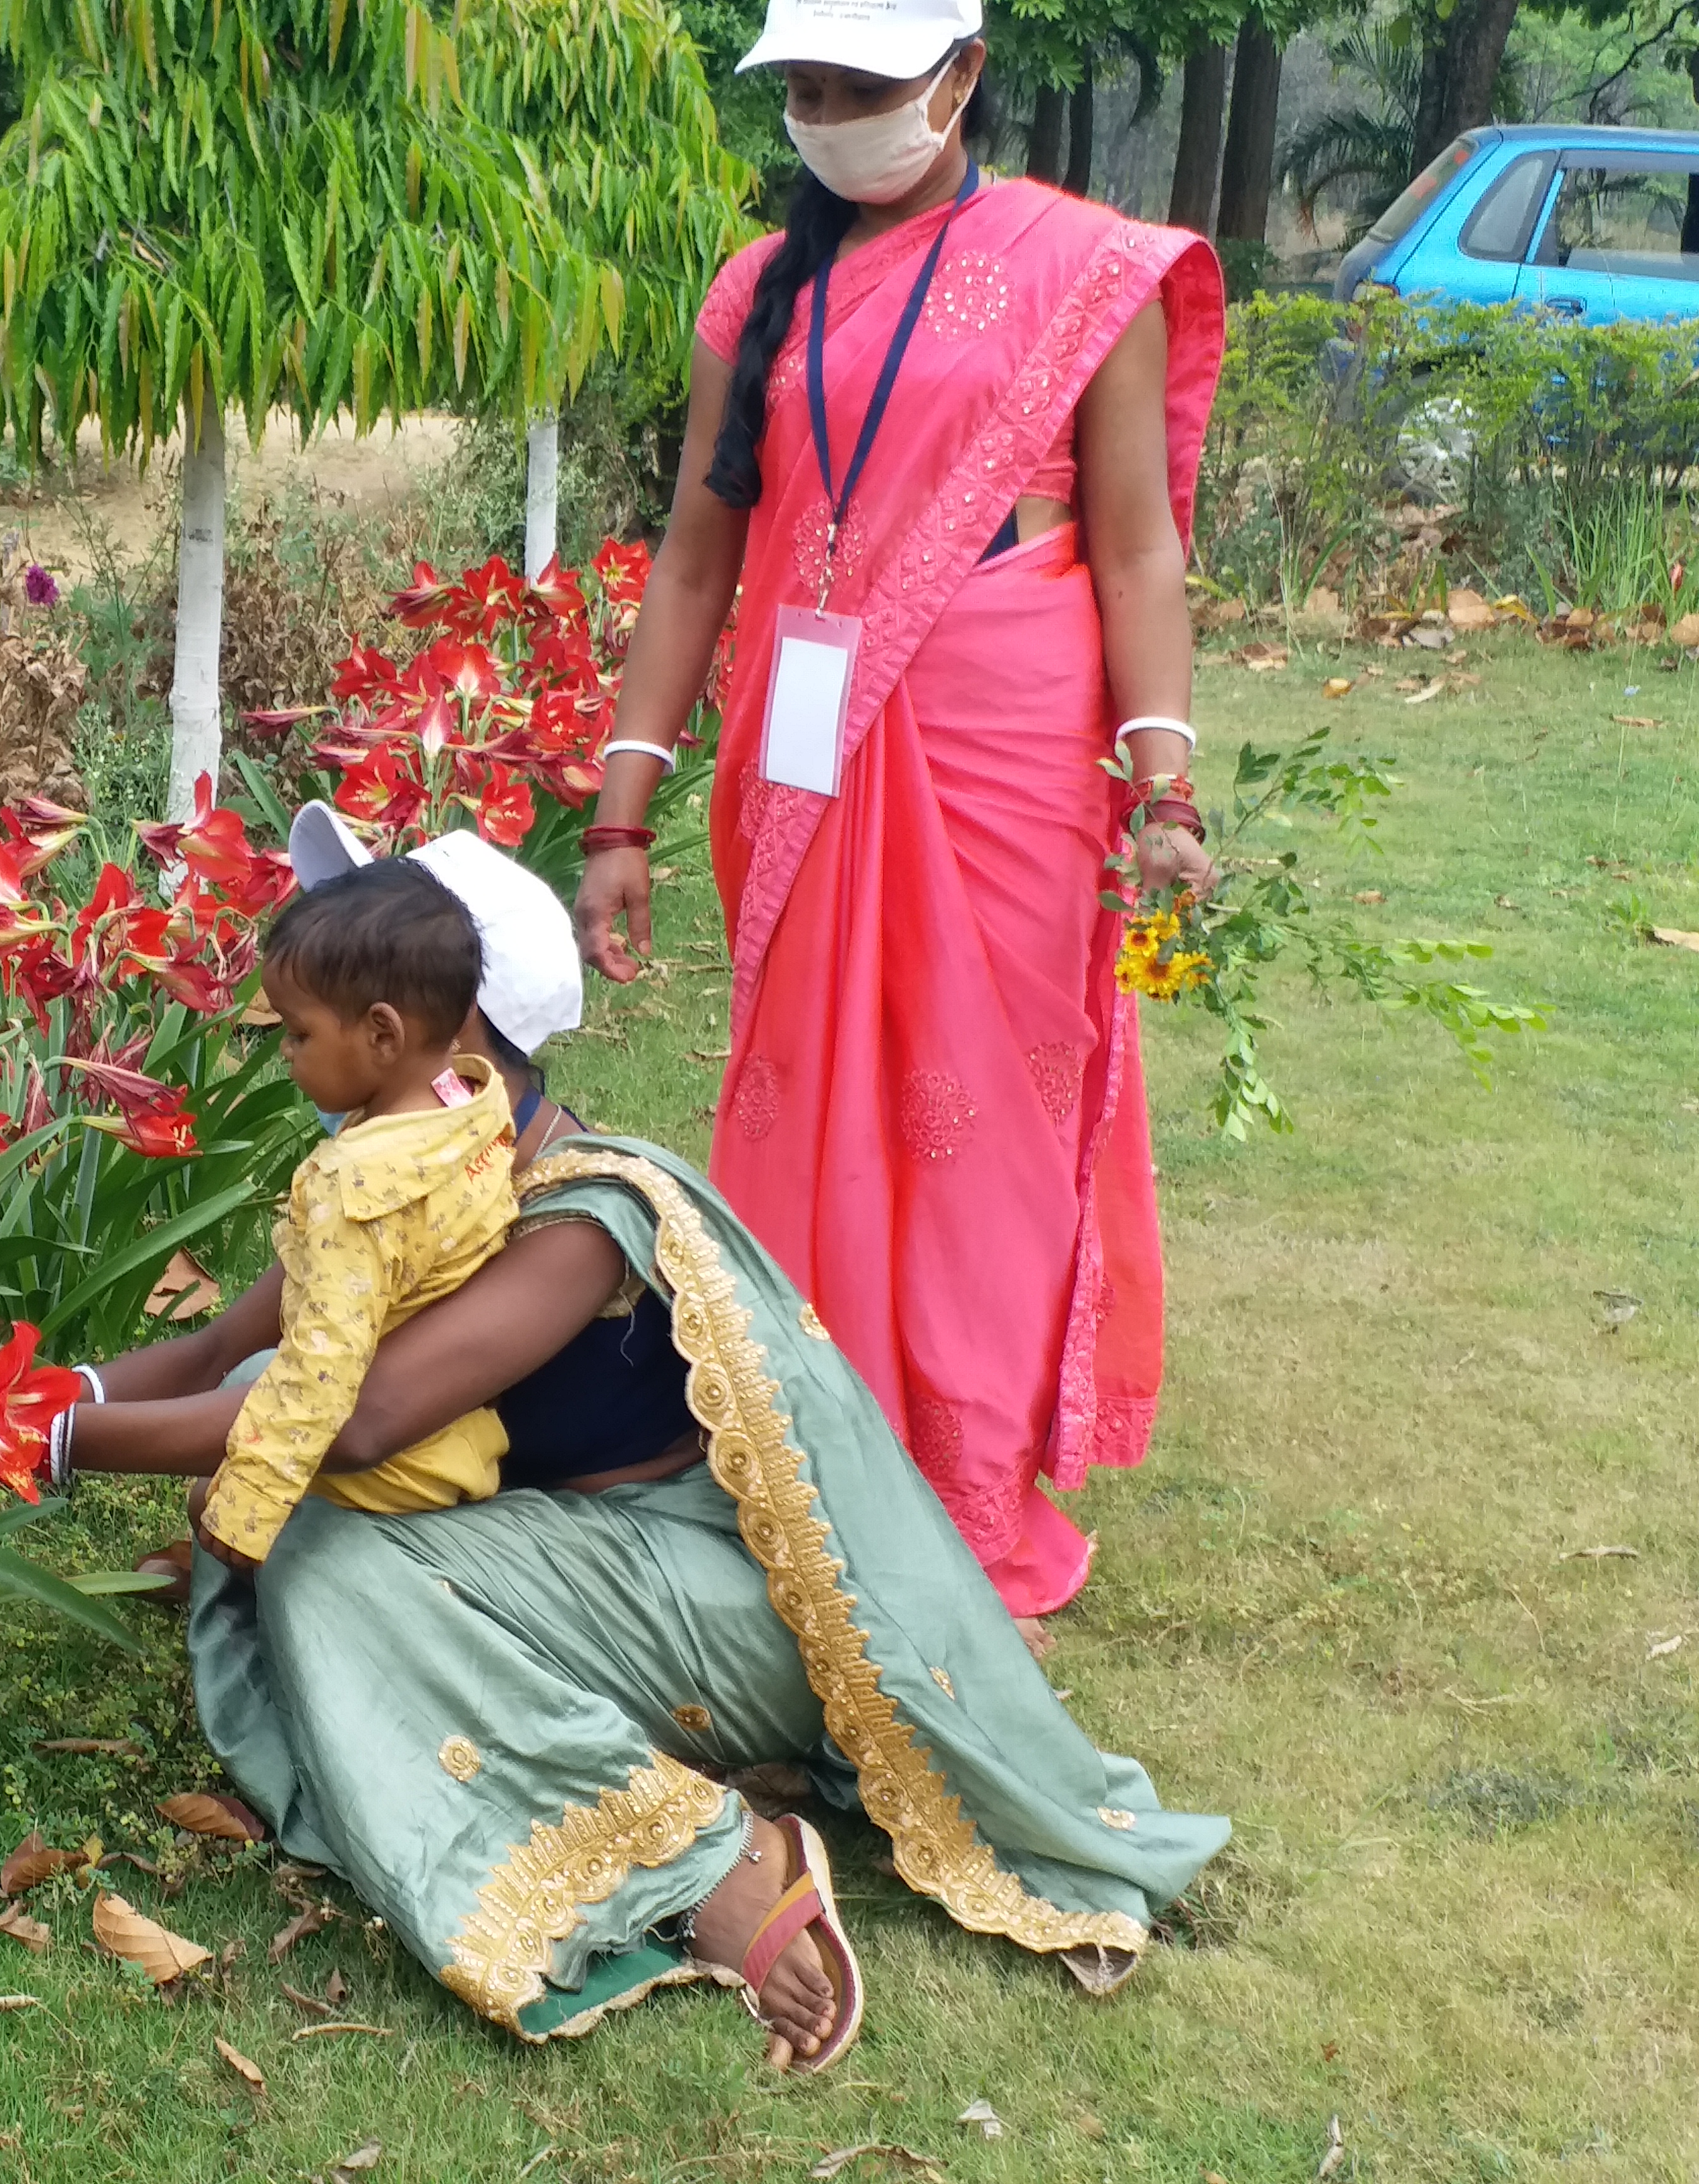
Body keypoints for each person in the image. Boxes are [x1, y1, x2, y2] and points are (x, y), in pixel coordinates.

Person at [0, 817, 1227, 2066]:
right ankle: (621, 1760)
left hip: (715, 1597)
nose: (298, 1054)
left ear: (426, 1037)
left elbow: (366, 1417)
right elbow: (223, 1357)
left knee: (325, 1561)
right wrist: (8, 1412)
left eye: (315, 1025)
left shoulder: (577, 1216)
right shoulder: (405, 1171)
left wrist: (29, 1451)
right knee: (284, 1471)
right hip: (586, 1562)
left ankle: (705, 1862)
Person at [569, 0, 1226, 1620]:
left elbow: (1135, 546)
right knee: (809, 1098)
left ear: (963, 77)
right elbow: (696, 561)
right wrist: (618, 812)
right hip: (801, 749)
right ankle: (807, 1451)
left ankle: (967, 1479)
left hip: (1008, 737)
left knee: (986, 1117)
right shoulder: (756, 293)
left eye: (859, 85)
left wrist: (1164, 787)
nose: (825, 114)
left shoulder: (1085, 270)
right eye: (800, 88)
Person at [198, 861, 517, 1568]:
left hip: (391, 1477)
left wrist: (246, 1512)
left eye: (299, 1033)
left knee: (209, 1499)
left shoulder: (358, 1188)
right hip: (458, 1440)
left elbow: (324, 1364)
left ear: (383, 1035)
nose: (284, 1049)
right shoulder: (471, 1106)